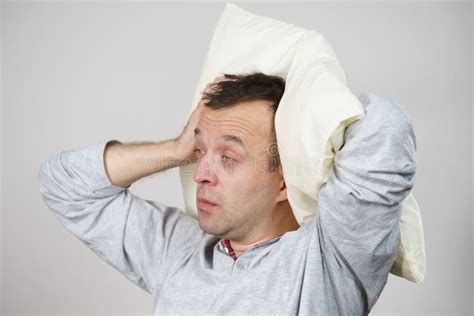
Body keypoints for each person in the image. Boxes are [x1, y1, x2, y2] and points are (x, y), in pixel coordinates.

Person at [38, 72, 417, 315]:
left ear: (285, 180)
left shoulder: (330, 263)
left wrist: (309, 114)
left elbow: (385, 124)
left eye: (228, 157)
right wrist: (175, 149)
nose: (200, 173)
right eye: (200, 153)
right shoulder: (181, 251)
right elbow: (64, 185)